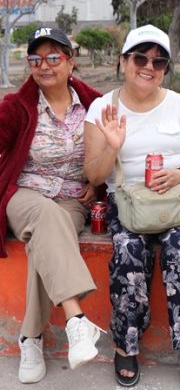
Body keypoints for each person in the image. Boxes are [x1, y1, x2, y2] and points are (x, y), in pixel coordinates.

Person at [84, 24, 180, 389]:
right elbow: (94, 175)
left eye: (159, 62)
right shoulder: (102, 108)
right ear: (123, 61)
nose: (149, 67)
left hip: (175, 198)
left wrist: (179, 174)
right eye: (140, 58)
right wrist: (112, 146)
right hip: (126, 201)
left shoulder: (179, 104)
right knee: (129, 249)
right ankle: (125, 343)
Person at [0, 27, 105, 383]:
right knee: (46, 216)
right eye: (35, 59)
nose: (44, 65)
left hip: (73, 199)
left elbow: (111, 153)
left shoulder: (94, 105)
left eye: (53, 57)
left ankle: (30, 338)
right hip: (25, 194)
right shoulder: (17, 107)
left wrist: (96, 183)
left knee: (44, 241)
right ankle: (77, 319)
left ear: (71, 61)